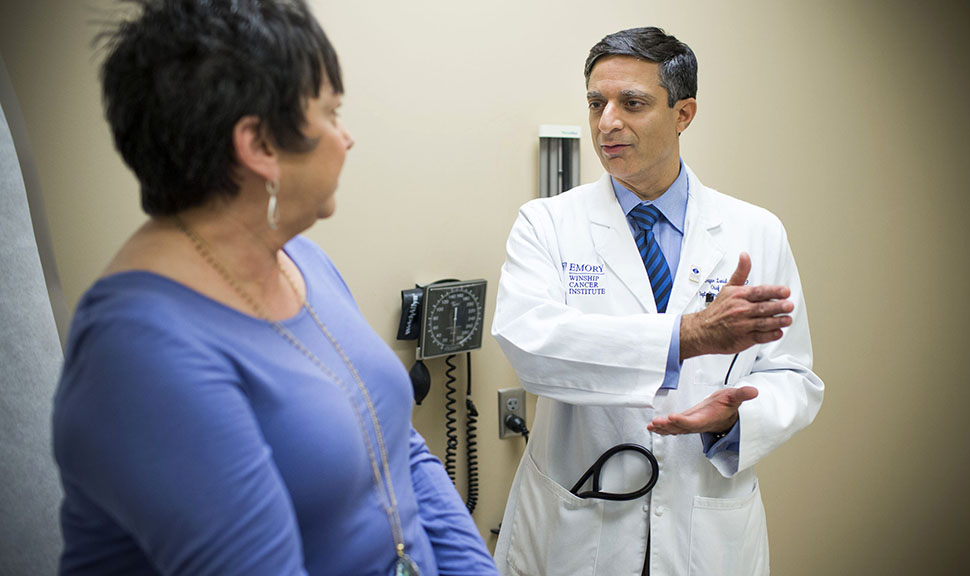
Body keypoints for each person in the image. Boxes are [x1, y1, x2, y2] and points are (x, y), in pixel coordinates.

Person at [50, 2, 499, 575]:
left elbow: (398, 451)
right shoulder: (140, 351)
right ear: (259, 145)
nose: (347, 137)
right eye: (331, 113)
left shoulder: (301, 259)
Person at [491, 27, 824, 576]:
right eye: (597, 103)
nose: (607, 123)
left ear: (683, 113)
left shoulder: (755, 231)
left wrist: (733, 421)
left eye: (633, 103)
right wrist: (689, 336)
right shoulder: (547, 224)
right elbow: (532, 346)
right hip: (578, 525)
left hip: (705, 530)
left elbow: (793, 373)